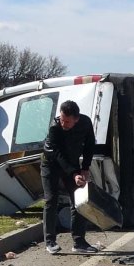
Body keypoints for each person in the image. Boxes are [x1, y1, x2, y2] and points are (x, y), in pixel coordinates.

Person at [40, 100, 97, 254]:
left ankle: (79, 242)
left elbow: (90, 144)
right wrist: (74, 174)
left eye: (67, 121)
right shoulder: (55, 127)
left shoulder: (85, 122)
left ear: (76, 119)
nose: (63, 123)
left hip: (72, 164)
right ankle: (50, 241)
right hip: (51, 164)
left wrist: (85, 168)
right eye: (62, 119)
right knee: (51, 199)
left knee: (78, 201)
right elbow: (57, 155)